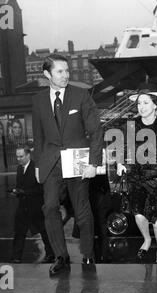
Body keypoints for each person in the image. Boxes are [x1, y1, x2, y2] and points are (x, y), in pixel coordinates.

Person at [32, 54, 103, 276]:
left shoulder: (81, 95)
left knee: (82, 211)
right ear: (47, 74)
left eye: (67, 71)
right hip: (51, 162)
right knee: (50, 207)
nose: (65, 75)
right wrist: (37, 165)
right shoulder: (38, 100)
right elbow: (38, 135)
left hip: (78, 161)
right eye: (60, 72)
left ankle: (88, 255)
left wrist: (93, 162)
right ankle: (61, 256)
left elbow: (95, 131)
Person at [116, 82, 157, 264]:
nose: (141, 107)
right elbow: (121, 149)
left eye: (145, 103)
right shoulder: (130, 127)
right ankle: (147, 239)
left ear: (155, 104)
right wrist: (120, 163)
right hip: (136, 177)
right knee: (138, 214)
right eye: (139, 103)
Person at [11, 145, 54, 263]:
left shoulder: (36, 168)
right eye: (17, 156)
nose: (18, 159)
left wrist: (24, 192)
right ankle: (16, 257)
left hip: (35, 207)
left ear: (28, 155)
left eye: (21, 156)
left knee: (44, 232)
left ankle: (51, 254)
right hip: (22, 206)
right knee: (19, 232)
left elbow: (41, 189)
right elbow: (20, 185)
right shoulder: (19, 169)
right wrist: (16, 191)